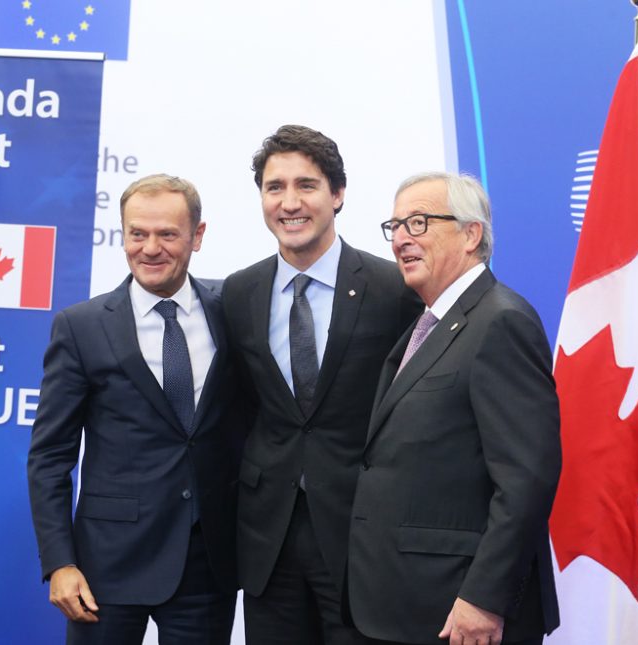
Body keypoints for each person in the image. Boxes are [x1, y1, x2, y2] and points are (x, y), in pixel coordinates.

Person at [222, 124, 421, 644]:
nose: (290, 202)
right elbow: (244, 408)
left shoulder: (393, 289)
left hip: (365, 538)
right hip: (269, 543)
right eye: (274, 187)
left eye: (306, 185)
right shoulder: (240, 292)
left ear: (337, 195)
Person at [27, 174, 243, 645]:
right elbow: (50, 457)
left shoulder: (233, 308)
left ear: (197, 236)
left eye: (167, 234)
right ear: (122, 235)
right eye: (137, 233)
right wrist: (60, 563)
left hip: (207, 566)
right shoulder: (80, 327)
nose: (150, 248)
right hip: (106, 566)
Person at [346, 172, 561, 645]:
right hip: (408, 605)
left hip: (463, 611)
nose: (401, 238)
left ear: (471, 234)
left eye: (418, 222)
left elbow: (525, 479)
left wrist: (485, 597)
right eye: (395, 225)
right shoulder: (427, 325)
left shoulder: (501, 321)